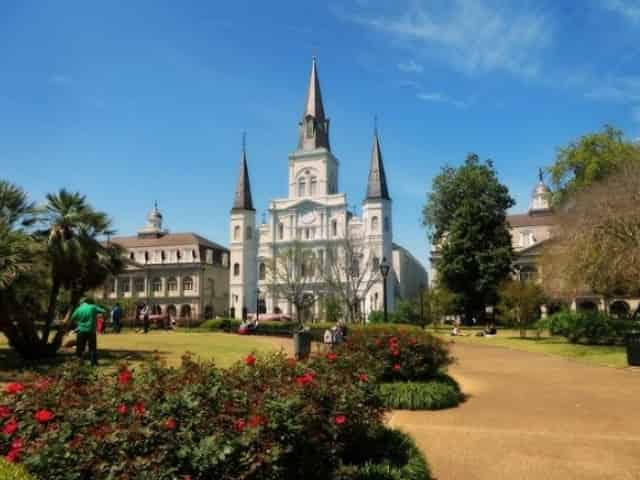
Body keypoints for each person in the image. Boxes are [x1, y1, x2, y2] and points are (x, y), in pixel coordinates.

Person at [71, 297, 105, 366]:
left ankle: (80, 362)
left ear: (81, 303)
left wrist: (79, 323)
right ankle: (93, 363)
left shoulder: (78, 309)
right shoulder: (92, 307)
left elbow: (72, 318)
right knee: (92, 348)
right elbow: (103, 311)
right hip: (91, 331)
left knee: (80, 348)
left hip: (80, 331)